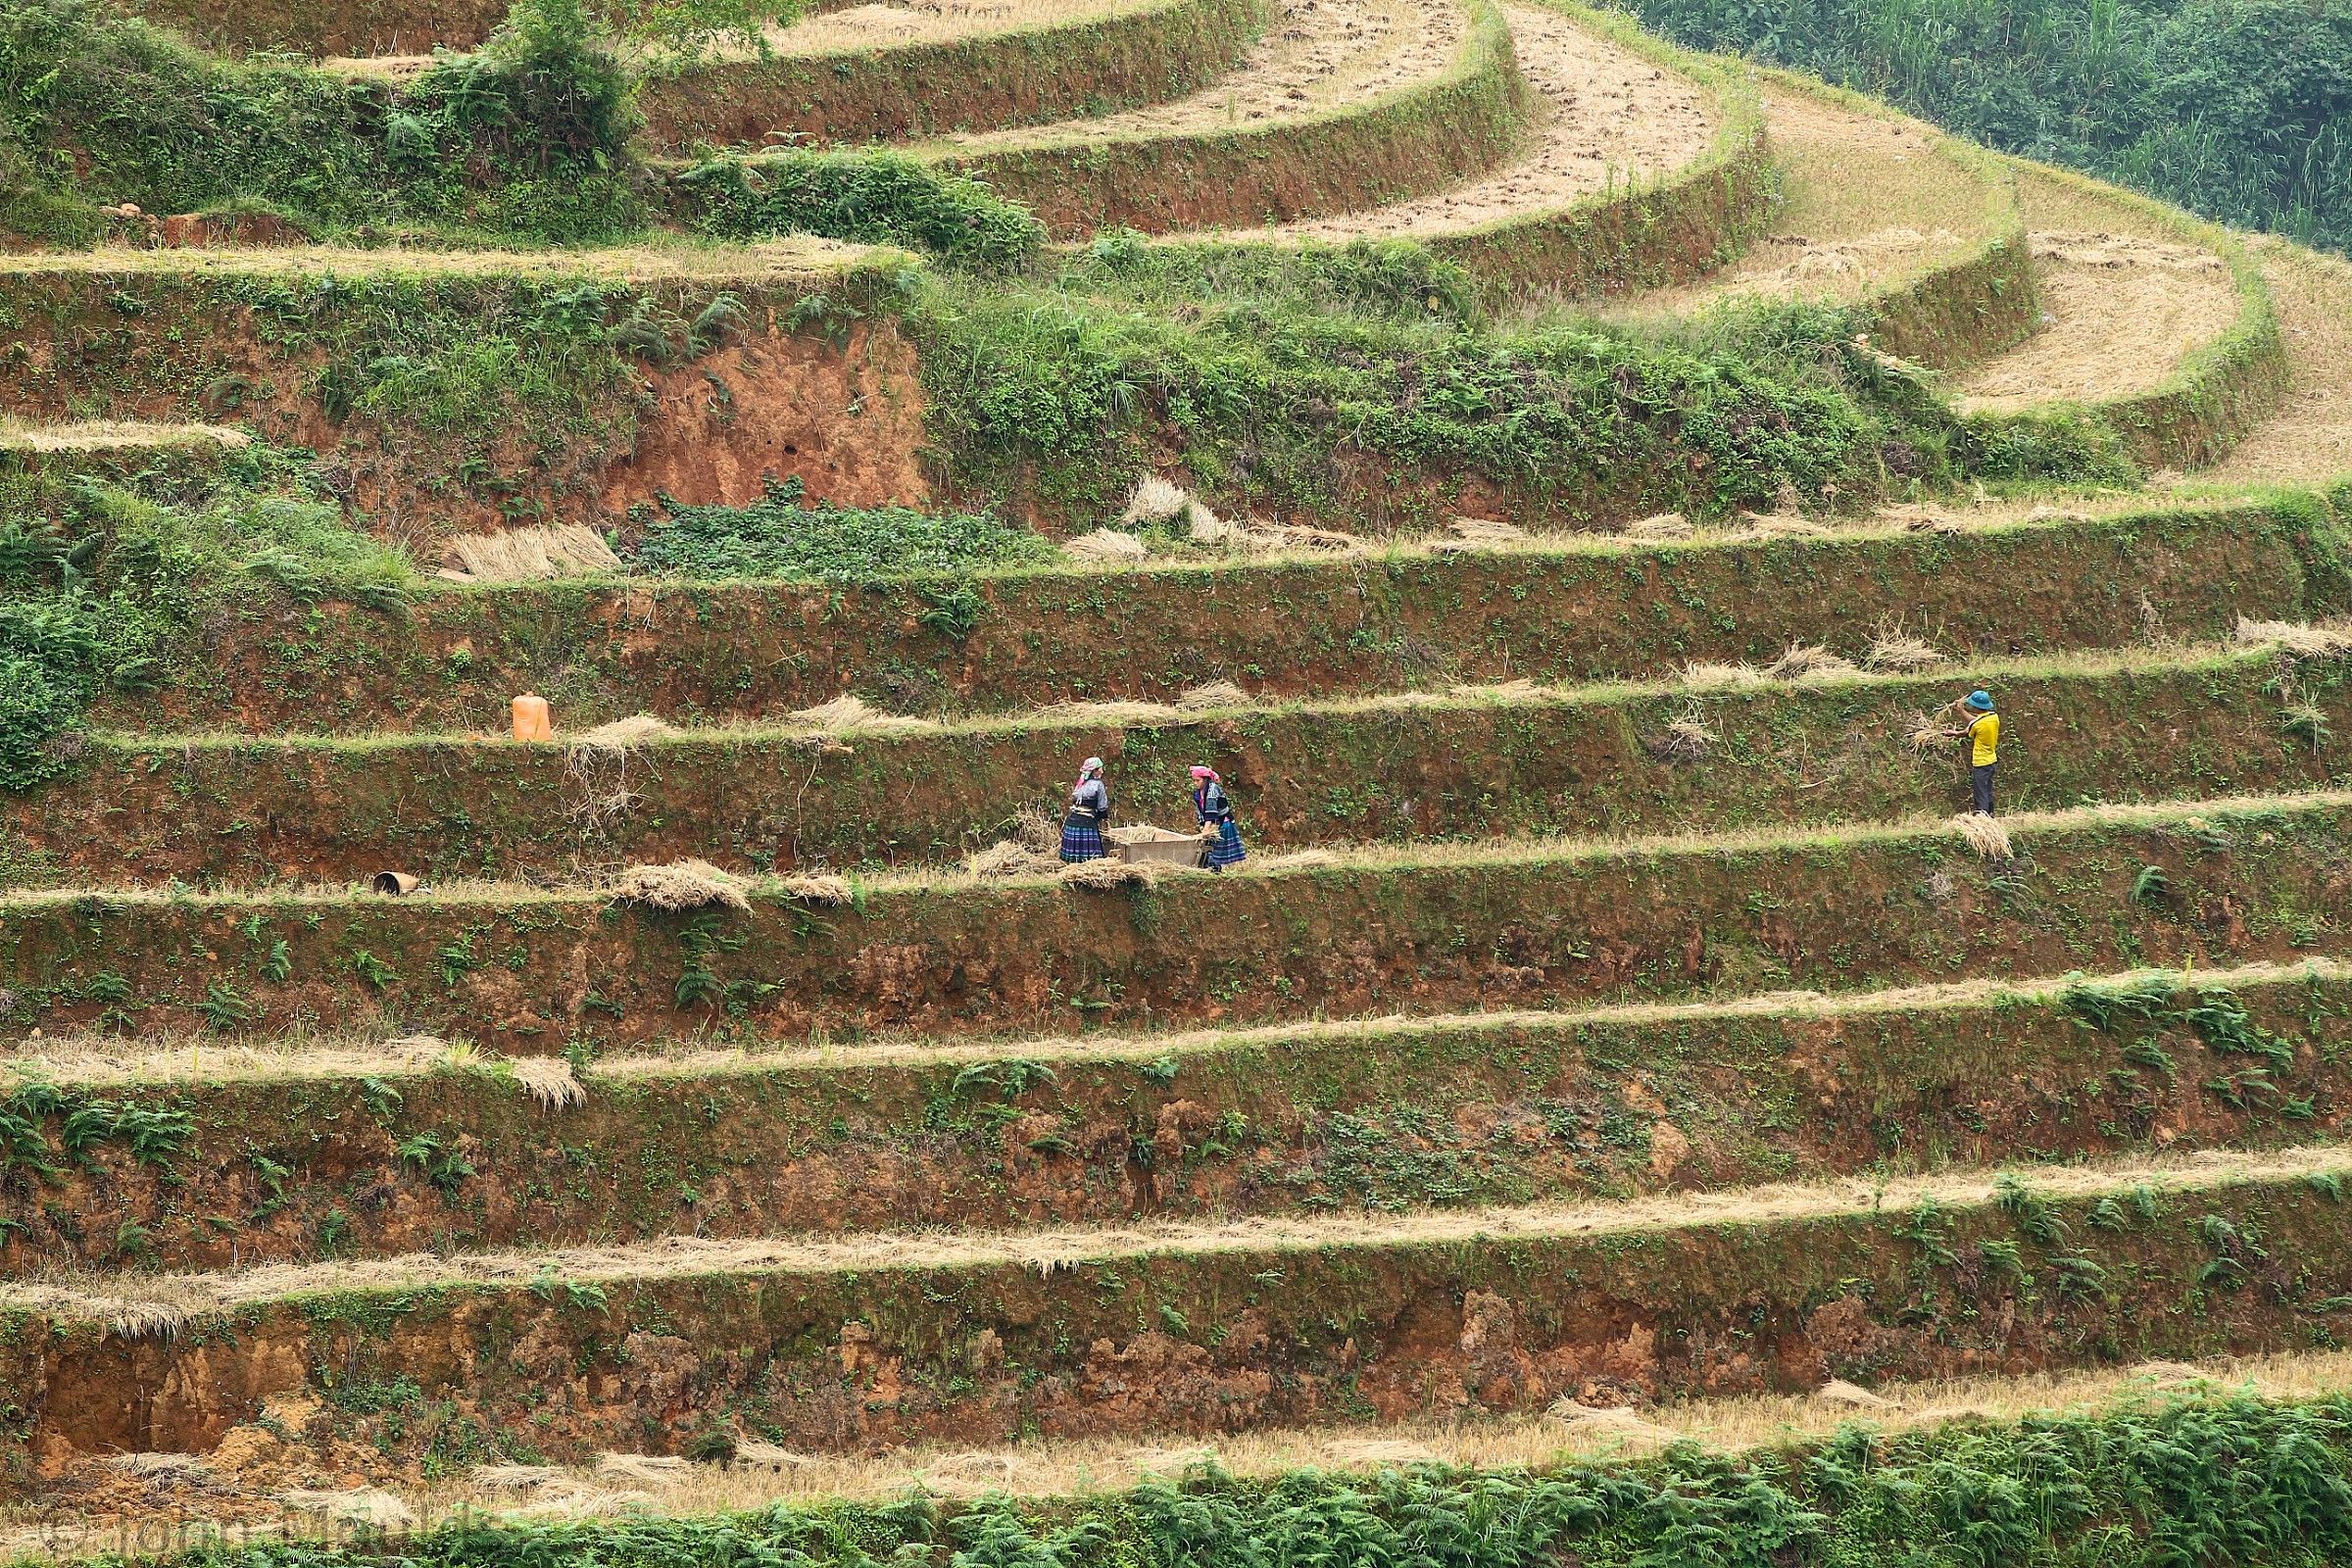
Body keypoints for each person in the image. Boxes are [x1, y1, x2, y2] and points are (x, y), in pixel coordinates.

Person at [1942, 689, 1999, 815]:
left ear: (1976, 707)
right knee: (1987, 789)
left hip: (1981, 763)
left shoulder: (1976, 724)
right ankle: (1990, 814)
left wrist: (1953, 733)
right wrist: (1961, 710)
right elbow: (1976, 721)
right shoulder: (1993, 717)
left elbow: (1966, 732)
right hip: (1992, 760)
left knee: (1980, 792)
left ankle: (1982, 815)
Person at [1190, 764, 1247, 871]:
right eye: (1194, 781)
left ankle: (1215, 869)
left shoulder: (1212, 790)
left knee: (1215, 850)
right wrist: (1203, 826)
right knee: (1209, 847)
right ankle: (1210, 868)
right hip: (1213, 823)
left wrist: (1206, 830)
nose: (1195, 783)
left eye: (1198, 780)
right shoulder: (1198, 793)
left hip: (1223, 822)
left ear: (1205, 780)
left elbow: (1211, 812)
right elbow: (1201, 811)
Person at [1061, 757, 1111, 862]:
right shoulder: (1098, 785)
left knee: (1073, 860)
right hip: (1087, 823)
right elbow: (1102, 808)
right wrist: (1098, 819)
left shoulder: (1080, 783)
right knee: (1090, 859)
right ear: (1094, 771)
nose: (1102, 771)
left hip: (1071, 822)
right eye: (1100, 769)